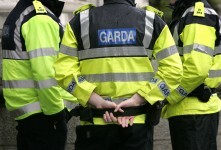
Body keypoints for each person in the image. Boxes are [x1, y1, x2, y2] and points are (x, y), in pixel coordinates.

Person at [54, 0, 183, 150]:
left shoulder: (80, 22)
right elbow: (173, 70)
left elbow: (64, 71)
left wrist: (95, 100)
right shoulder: (151, 21)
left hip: (95, 122)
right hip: (137, 123)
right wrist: (138, 99)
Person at [1, 0, 76, 149]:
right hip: (45, 116)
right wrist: (57, 115)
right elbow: (45, 73)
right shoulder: (38, 18)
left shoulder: (21, 13)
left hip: (30, 116)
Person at [162, 0, 221, 150]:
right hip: (192, 110)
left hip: (193, 112)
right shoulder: (189, 13)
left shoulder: (196, 16)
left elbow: (197, 70)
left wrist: (168, 96)